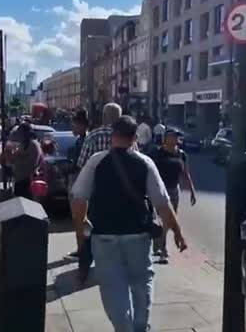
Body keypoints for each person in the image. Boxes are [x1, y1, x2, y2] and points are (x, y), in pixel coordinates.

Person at [71, 116, 187, 332]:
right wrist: (177, 232)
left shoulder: (97, 161)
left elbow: (78, 200)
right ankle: (141, 327)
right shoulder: (145, 163)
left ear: (113, 135)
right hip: (138, 235)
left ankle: (124, 328)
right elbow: (163, 203)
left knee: (113, 288)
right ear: (134, 138)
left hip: (104, 236)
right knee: (142, 282)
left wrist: (81, 232)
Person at [66, 103, 124, 264]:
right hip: (121, 190)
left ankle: (87, 255)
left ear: (104, 117)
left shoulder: (93, 136)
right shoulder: (126, 138)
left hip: (96, 190)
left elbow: (82, 165)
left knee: (90, 224)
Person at [150, 127, 197, 264]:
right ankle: (163, 250)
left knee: (169, 221)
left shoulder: (181, 154)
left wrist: (192, 191)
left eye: (177, 136)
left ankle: (159, 242)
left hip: (174, 190)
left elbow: (186, 173)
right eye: (173, 136)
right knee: (162, 220)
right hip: (159, 190)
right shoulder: (158, 153)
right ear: (166, 138)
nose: (175, 139)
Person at [11, 122, 43, 199]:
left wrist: (19, 156)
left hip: (27, 181)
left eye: (20, 133)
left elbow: (33, 163)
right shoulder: (23, 144)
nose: (18, 135)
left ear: (26, 133)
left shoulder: (33, 144)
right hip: (19, 179)